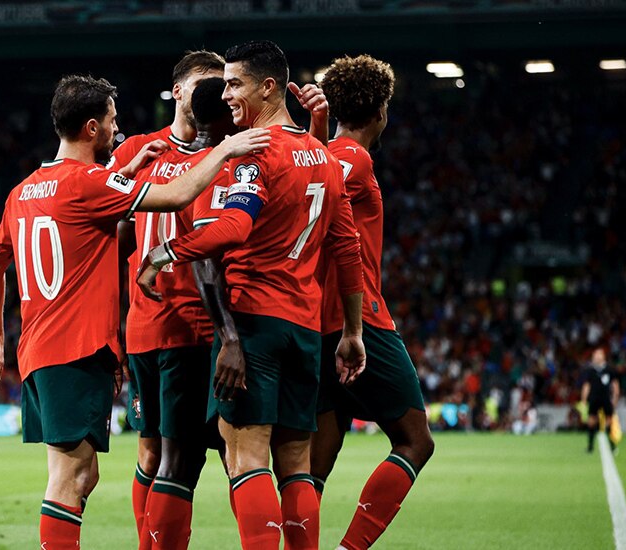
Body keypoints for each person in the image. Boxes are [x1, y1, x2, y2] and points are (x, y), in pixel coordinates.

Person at [0, 74, 269, 550]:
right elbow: (175, 196)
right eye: (112, 121)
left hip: (41, 348)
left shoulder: (25, 189)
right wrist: (225, 150)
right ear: (91, 127)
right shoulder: (89, 183)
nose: (117, 129)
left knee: (83, 474)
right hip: (73, 348)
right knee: (71, 478)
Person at [137, 40, 365, 550]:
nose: (227, 94)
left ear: (268, 87)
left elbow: (234, 227)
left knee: (247, 457)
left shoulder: (256, 153)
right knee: (296, 463)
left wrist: (165, 252)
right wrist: (351, 332)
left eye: (235, 83)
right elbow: (346, 249)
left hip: (255, 319)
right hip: (304, 327)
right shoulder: (326, 160)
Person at [310, 54, 436, 550]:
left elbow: (309, 191)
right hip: (356, 322)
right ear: (381, 112)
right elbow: (323, 188)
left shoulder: (320, 151)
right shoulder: (351, 156)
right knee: (415, 440)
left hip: (312, 322)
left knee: (315, 464)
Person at [107, 51, 225, 547]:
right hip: (158, 328)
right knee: (164, 456)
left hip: (187, 326)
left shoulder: (212, 151)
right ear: (177, 91)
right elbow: (109, 237)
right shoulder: (139, 150)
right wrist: (111, 328)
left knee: (175, 453)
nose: (211, 95)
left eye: (218, 87)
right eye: (202, 85)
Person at [581, 347, 619, 453]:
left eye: (599, 354)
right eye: (595, 354)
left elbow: (615, 384)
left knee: (609, 421)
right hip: (594, 398)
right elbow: (586, 385)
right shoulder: (590, 370)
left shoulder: (609, 369)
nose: (597, 356)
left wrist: (615, 397)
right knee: (591, 421)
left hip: (606, 398)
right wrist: (584, 399)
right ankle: (590, 446)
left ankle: (612, 445)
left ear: (603, 356)